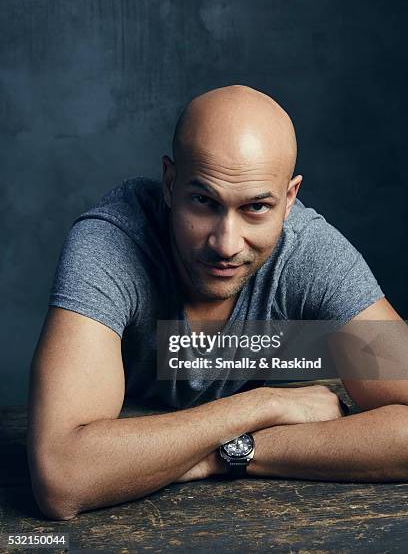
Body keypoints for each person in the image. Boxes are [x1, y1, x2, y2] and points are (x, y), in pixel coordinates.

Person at [27, 85, 408, 521]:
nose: (225, 244)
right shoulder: (109, 245)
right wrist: (262, 405)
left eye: (256, 208)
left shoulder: (312, 253)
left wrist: (230, 453)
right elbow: (62, 477)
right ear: (170, 185)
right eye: (204, 201)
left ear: (289, 200)